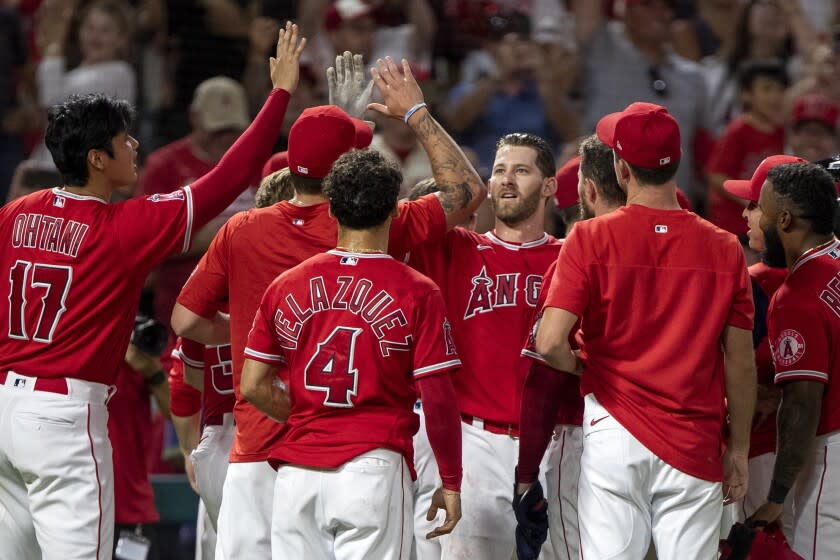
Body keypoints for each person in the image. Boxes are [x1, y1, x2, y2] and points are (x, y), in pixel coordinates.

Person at [0, 22, 304, 558]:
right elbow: (229, 178)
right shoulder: (120, 228)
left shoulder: (14, 214)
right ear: (97, 158)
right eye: (124, 140)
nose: (135, 146)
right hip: (63, 418)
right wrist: (279, 94)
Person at [171, 54, 485, 559]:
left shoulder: (243, 231)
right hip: (359, 448)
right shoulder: (387, 223)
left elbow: (185, 322)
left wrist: (242, 334)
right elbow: (467, 191)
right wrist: (413, 114)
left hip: (260, 448)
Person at [525, 102, 757, 559]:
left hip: (614, 425)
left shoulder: (589, 238)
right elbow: (741, 363)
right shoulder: (726, 247)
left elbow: (548, 342)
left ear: (621, 167)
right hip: (695, 437)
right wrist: (741, 449)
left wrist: (590, 367)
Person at [240, 147, 463, 559]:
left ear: (332, 210)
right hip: (372, 467)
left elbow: (252, 384)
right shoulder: (416, 289)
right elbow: (437, 396)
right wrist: (450, 479)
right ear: (395, 211)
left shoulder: (286, 284)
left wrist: (313, 418)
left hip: (297, 475)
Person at [404, 131, 561, 559]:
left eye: (522, 171)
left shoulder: (572, 256)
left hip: (557, 445)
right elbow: (453, 188)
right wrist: (420, 118)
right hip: (477, 442)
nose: (507, 181)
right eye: (499, 172)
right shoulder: (457, 249)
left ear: (550, 186)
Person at [517, 134, 627, 560]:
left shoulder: (575, 256)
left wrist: (526, 475)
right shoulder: (688, 237)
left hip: (585, 433)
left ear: (588, 190)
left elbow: (545, 365)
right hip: (674, 436)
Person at [747, 162, 839, 559]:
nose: (754, 217)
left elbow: (802, 405)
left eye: (761, 209)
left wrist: (777, 494)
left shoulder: (795, 297)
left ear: (783, 219)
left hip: (832, 455)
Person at [723, 154, 805, 537]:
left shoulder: (751, 283)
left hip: (763, 452)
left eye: (755, 205)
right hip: (800, 449)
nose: (745, 215)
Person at [137, 76, 255, 338]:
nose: (225, 138)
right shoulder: (164, 167)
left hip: (244, 314)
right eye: (217, 129)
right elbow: (148, 246)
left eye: (232, 129)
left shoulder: (256, 163)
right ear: (194, 118)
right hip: (181, 318)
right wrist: (224, 234)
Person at [705, 59, 788, 237]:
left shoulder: (782, 131)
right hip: (734, 226)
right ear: (746, 94)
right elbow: (715, 175)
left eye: (779, 89)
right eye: (767, 89)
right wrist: (749, 199)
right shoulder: (738, 130)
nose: (775, 96)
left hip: (763, 226)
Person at [787, 93, 840, 163]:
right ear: (791, 134)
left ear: (835, 139)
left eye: (821, 132)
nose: (813, 139)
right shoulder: (771, 168)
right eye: (806, 131)